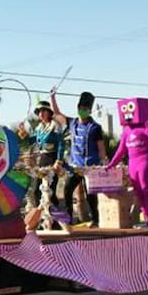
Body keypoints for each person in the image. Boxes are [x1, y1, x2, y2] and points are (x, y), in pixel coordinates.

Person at [50, 89, 107, 227]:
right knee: (67, 190)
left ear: (90, 110)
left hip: (90, 167)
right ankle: (69, 219)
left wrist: (104, 162)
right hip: (74, 167)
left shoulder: (95, 127)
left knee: (91, 194)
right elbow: (57, 114)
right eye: (81, 108)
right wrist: (52, 97)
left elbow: (101, 147)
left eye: (86, 109)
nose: (83, 110)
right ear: (78, 108)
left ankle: (95, 220)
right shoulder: (72, 123)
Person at [26, 100, 64, 223]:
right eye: (39, 111)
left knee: (50, 191)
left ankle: (58, 221)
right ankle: (42, 219)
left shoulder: (55, 126)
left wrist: (59, 160)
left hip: (52, 160)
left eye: (44, 111)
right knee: (37, 190)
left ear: (49, 112)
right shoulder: (39, 128)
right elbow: (33, 141)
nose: (41, 113)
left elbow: (61, 144)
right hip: (42, 160)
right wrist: (23, 134)